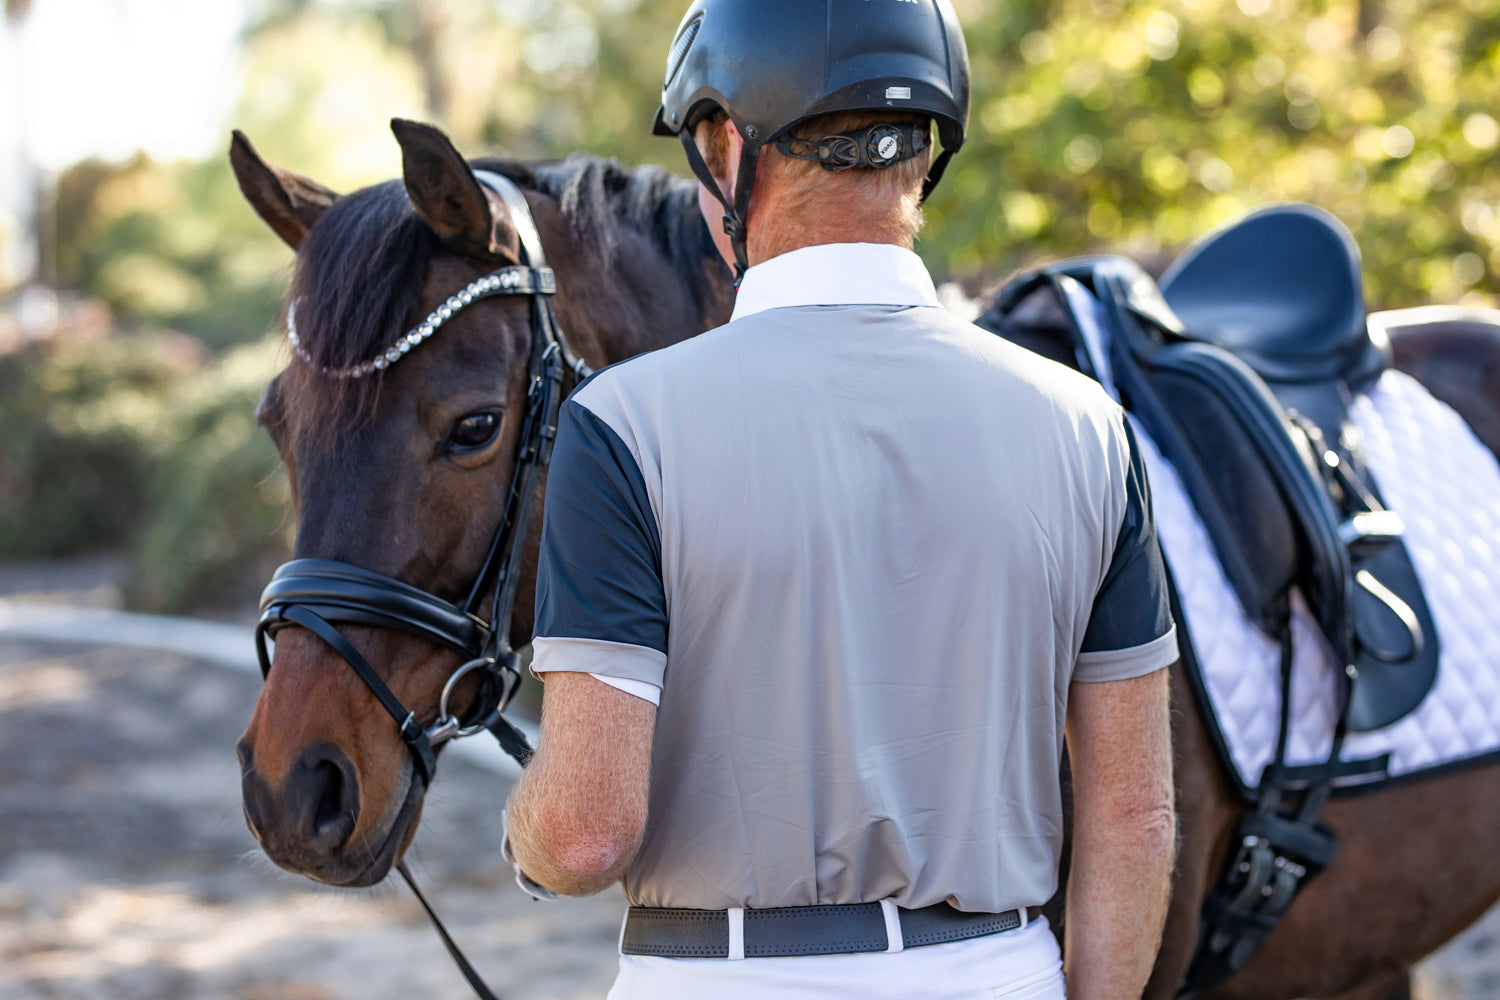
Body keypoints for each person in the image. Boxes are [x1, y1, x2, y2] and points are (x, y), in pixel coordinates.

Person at [503, 1, 1178, 997]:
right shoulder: (1090, 426)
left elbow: (582, 834)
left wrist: (527, 830)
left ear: (728, 149)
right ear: (927, 152)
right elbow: (1136, 816)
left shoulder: (621, 425)